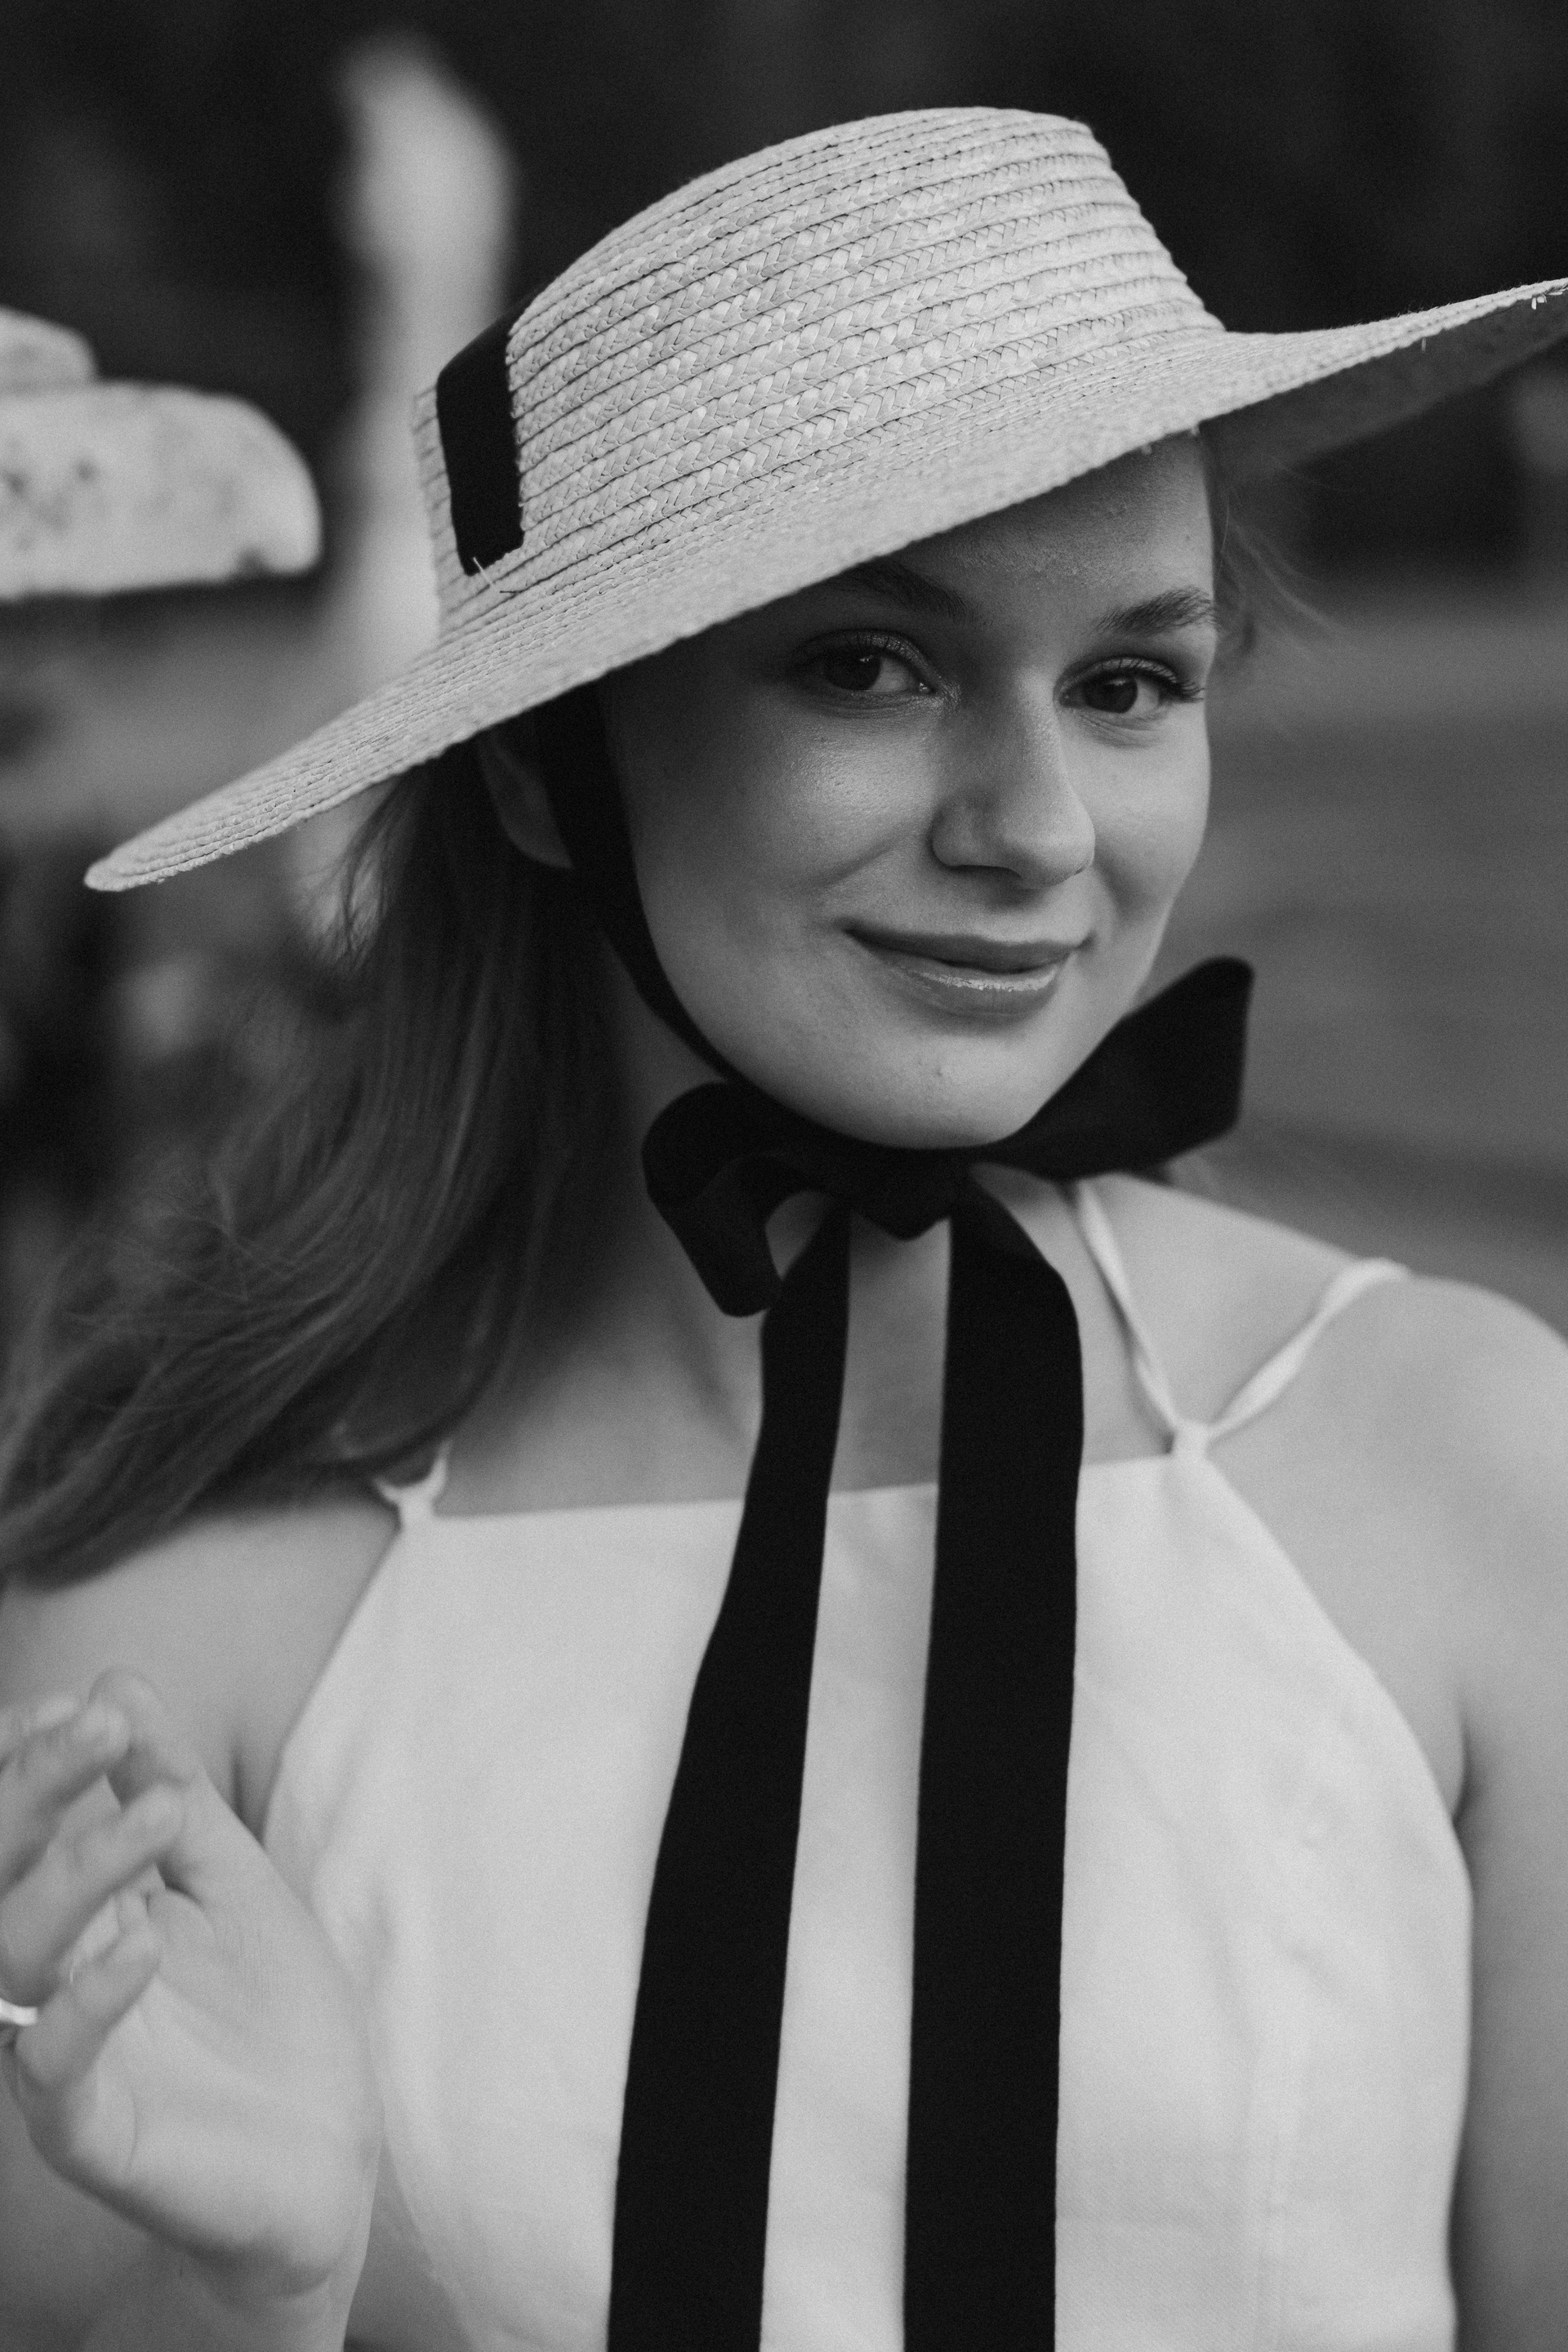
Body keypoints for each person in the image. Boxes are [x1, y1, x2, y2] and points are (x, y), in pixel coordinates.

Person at [0, 106, 1566, 2352]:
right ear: (544, 765)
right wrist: (262, 2299)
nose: (1039, 830)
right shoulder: (189, 1636)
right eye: (871, 669)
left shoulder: (1475, 1481)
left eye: (1130, 682)